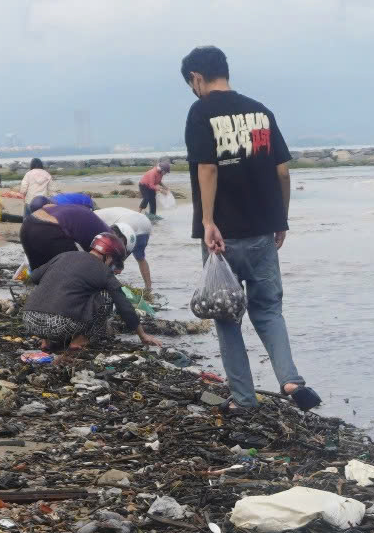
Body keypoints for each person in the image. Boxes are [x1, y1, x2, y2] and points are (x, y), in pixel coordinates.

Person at [183, 45, 319, 410]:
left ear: (196, 78)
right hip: (262, 231)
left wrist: (209, 221)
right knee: (269, 310)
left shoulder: (200, 111)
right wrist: (281, 219)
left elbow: (207, 168)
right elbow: (282, 171)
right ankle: (290, 381)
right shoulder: (261, 111)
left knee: (227, 316)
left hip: (222, 238)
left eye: (191, 84)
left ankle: (243, 399)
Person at [22, 233, 146, 352]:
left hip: (29, 321)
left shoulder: (64, 256)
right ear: (108, 257)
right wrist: (142, 335)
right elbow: (123, 305)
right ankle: (80, 340)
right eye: (114, 262)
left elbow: (34, 278)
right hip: (60, 326)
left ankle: (46, 342)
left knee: (50, 286)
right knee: (106, 295)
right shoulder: (103, 270)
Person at [18, 198, 106, 273]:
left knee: (40, 271)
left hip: (27, 226)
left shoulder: (63, 209)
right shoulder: (96, 227)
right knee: (70, 269)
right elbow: (90, 254)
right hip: (50, 229)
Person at [95, 202, 156, 297]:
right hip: (145, 223)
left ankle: (108, 287)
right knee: (140, 257)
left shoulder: (95, 216)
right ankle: (148, 289)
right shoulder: (105, 212)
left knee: (112, 256)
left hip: (129, 225)